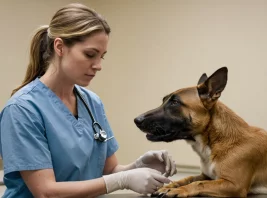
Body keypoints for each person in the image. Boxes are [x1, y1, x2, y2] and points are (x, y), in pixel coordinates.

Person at [0, 3, 176, 198]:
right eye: (90, 55)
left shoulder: (92, 103)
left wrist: (137, 166)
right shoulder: (23, 109)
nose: (98, 65)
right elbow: (46, 192)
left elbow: (109, 172)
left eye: (102, 56)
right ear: (59, 47)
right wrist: (123, 180)